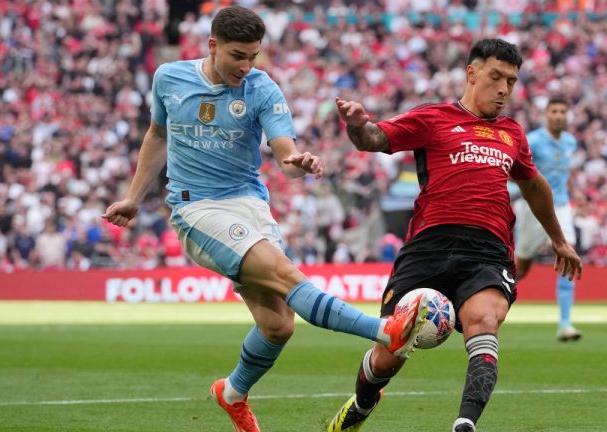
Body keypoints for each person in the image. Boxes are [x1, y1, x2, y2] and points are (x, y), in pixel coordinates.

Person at [101, 7, 429, 432]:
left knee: (277, 326)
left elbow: (284, 152)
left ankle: (232, 393)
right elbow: (158, 134)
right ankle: (386, 331)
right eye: (238, 55)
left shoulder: (261, 88)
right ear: (212, 45)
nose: (246, 66)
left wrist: (296, 161)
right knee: (285, 274)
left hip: (250, 206)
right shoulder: (169, 78)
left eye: (253, 56)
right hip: (196, 208)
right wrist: (133, 197)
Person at [328, 38, 582, 432]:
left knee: (484, 323)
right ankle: (362, 405)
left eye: (511, 81)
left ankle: (465, 424)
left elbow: (534, 185)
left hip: (488, 250)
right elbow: (376, 139)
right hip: (428, 246)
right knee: (387, 357)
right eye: (496, 77)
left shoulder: (512, 133)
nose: (504, 89)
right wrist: (359, 125)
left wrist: (559, 239)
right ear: (472, 73)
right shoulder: (433, 118)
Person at [513, 96, 583, 342]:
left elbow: (563, 175)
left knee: (568, 258)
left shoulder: (570, 142)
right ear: (546, 114)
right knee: (521, 267)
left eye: (562, 111)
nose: (558, 115)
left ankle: (565, 323)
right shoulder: (532, 141)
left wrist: (578, 196)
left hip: (561, 206)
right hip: (532, 208)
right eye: (554, 111)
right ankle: (490, 306)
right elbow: (513, 171)